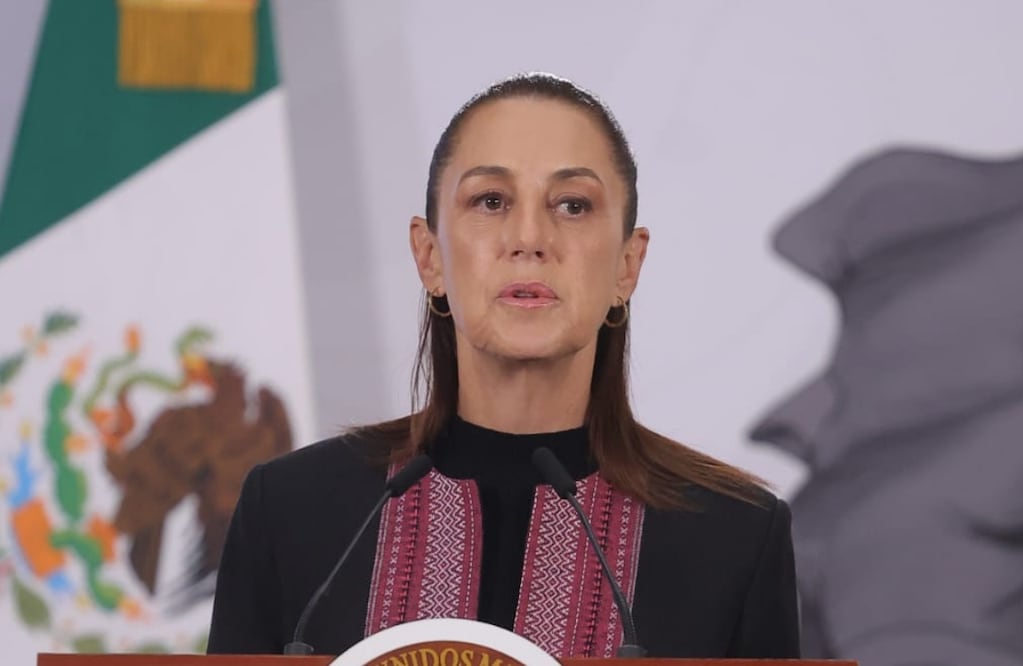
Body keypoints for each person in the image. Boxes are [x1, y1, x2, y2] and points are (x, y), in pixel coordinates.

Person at [206, 72, 799, 659]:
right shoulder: (290, 511)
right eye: (491, 201)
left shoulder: (734, 534)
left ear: (627, 265)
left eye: (573, 205)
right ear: (429, 257)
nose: (529, 238)